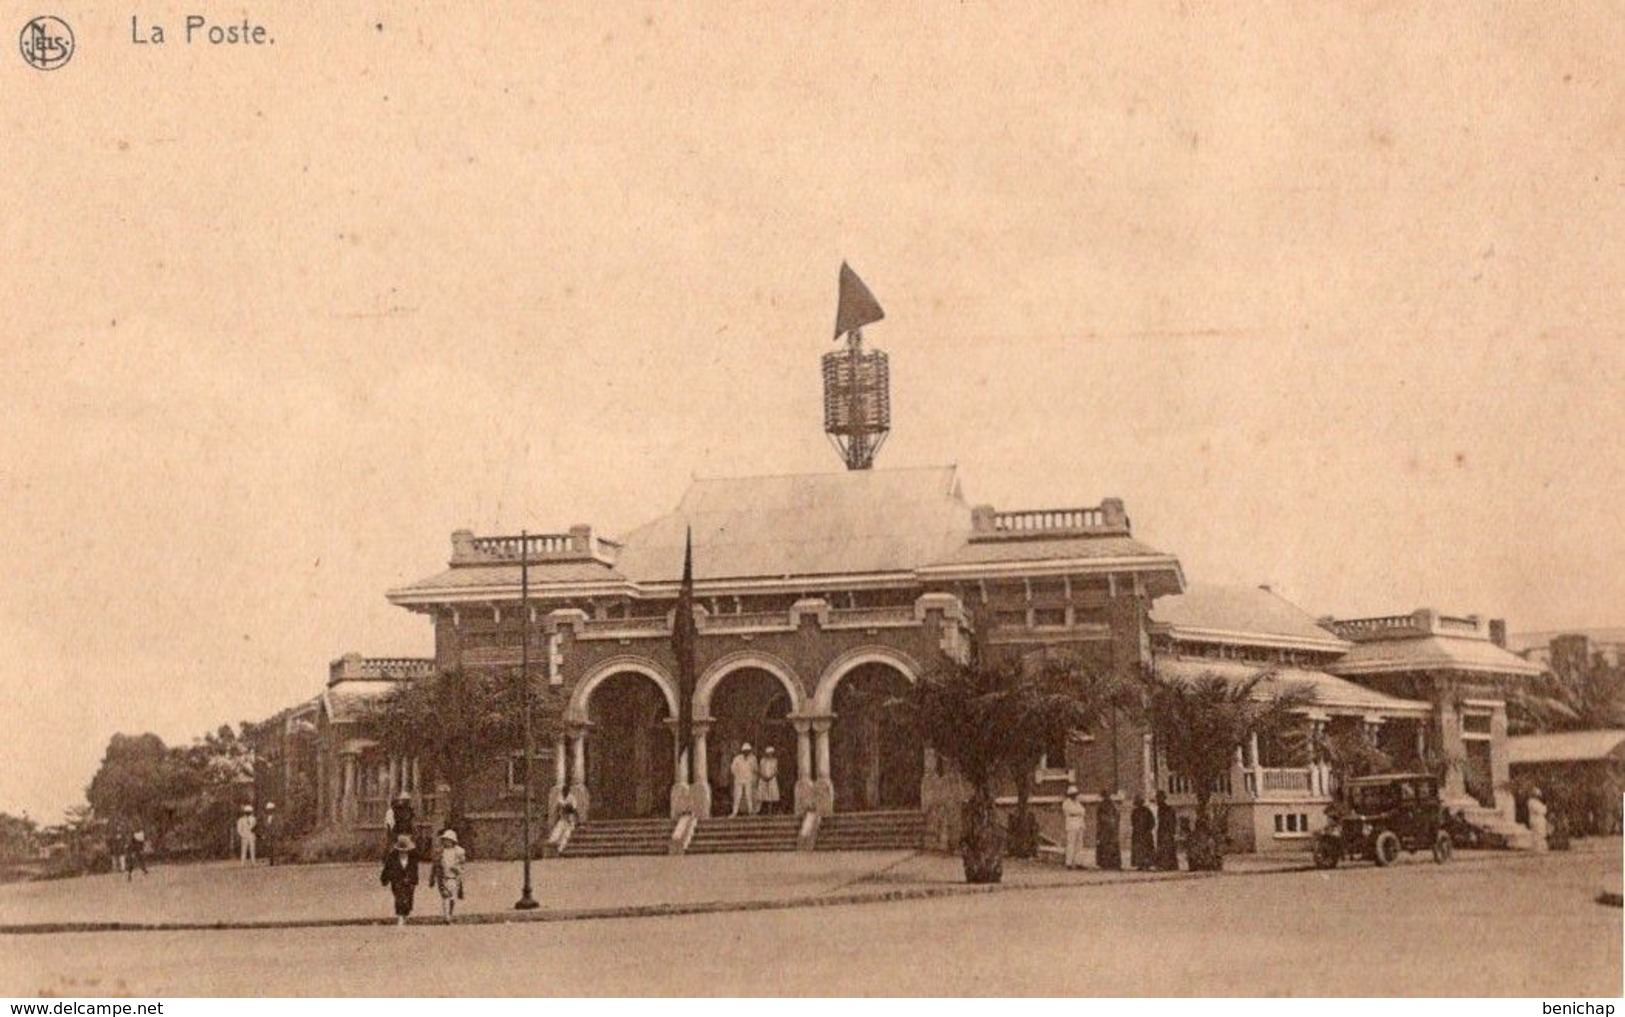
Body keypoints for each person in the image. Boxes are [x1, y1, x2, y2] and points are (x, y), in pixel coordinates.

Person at [380, 833, 419, 926]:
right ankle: (400, 917)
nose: (403, 852)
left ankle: (405, 915)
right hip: (397, 881)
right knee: (399, 898)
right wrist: (384, 879)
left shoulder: (412, 859)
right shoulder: (392, 858)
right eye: (401, 850)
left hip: (409, 882)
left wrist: (414, 881)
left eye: (405, 850)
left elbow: (415, 870)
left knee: (408, 899)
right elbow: (387, 869)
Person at [429, 829, 467, 924]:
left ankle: (450, 913)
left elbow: (462, 866)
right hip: (443, 878)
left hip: (454, 878)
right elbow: (435, 866)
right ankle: (446, 917)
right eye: (445, 840)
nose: (447, 842)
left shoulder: (458, 852)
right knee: (445, 896)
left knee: (452, 898)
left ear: (453, 841)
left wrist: (457, 869)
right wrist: (432, 878)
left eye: (449, 840)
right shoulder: (440, 852)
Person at [1061, 786, 1088, 869]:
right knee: (1071, 844)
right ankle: (1069, 863)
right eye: (1073, 794)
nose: (1075, 796)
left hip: (1079, 824)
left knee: (1079, 845)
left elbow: (1083, 811)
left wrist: (1080, 812)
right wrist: (1079, 812)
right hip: (1072, 825)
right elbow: (1072, 811)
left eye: (1075, 794)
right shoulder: (1066, 803)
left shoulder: (1077, 803)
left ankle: (1079, 862)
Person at [1095, 789, 1122, 870]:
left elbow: (1100, 817)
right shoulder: (1113, 804)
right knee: (1111, 844)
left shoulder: (1103, 805)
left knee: (1105, 844)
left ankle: (1106, 863)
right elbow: (1117, 815)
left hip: (1105, 828)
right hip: (1111, 828)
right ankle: (1113, 863)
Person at [729, 743, 758, 817]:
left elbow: (755, 769)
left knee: (749, 796)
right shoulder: (737, 758)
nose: (747, 752)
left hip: (748, 779)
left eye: (748, 751)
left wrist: (753, 779)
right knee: (737, 796)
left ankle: (750, 811)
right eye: (745, 751)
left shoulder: (753, 759)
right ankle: (734, 812)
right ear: (743, 751)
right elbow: (732, 769)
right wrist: (737, 775)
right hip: (739, 779)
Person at [1154, 791, 1179, 871]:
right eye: (1157, 798)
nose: (1157, 800)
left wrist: (1171, 830)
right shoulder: (1160, 808)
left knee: (1167, 847)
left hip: (1166, 830)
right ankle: (1164, 864)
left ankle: (1168, 864)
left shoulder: (1167, 809)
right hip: (1162, 829)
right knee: (1163, 846)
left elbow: (1171, 820)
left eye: (1158, 798)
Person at [1130, 794, 1155, 870]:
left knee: (1146, 848)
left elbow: (1152, 822)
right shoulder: (1135, 812)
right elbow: (1133, 822)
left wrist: (1148, 829)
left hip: (1145, 833)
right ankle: (1140, 864)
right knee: (1139, 849)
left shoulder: (1147, 811)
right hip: (1138, 833)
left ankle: (1147, 864)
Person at [756, 746, 781, 815]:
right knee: (761, 795)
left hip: (771, 779)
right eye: (768, 753)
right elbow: (759, 769)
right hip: (763, 779)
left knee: (771, 796)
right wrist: (763, 777)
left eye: (771, 753)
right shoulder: (762, 760)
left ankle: (770, 811)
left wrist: (770, 777)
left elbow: (776, 771)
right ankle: (758, 810)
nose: (769, 754)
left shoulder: (775, 760)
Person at [1527, 788, 1549, 853]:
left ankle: (1541, 848)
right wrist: (1544, 807)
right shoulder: (1532, 802)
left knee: (1541, 834)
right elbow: (1542, 810)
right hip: (1537, 820)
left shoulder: (1535, 802)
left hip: (1538, 819)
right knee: (1538, 834)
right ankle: (1538, 849)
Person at [261, 802, 277, 867]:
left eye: (270, 809)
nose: (269, 811)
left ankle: (273, 861)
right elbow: (265, 827)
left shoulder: (275, 817)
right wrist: (264, 834)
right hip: (268, 834)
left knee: (274, 848)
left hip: (274, 834)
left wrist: (275, 833)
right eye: (268, 809)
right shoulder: (265, 818)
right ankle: (270, 861)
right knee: (268, 848)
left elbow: (276, 826)